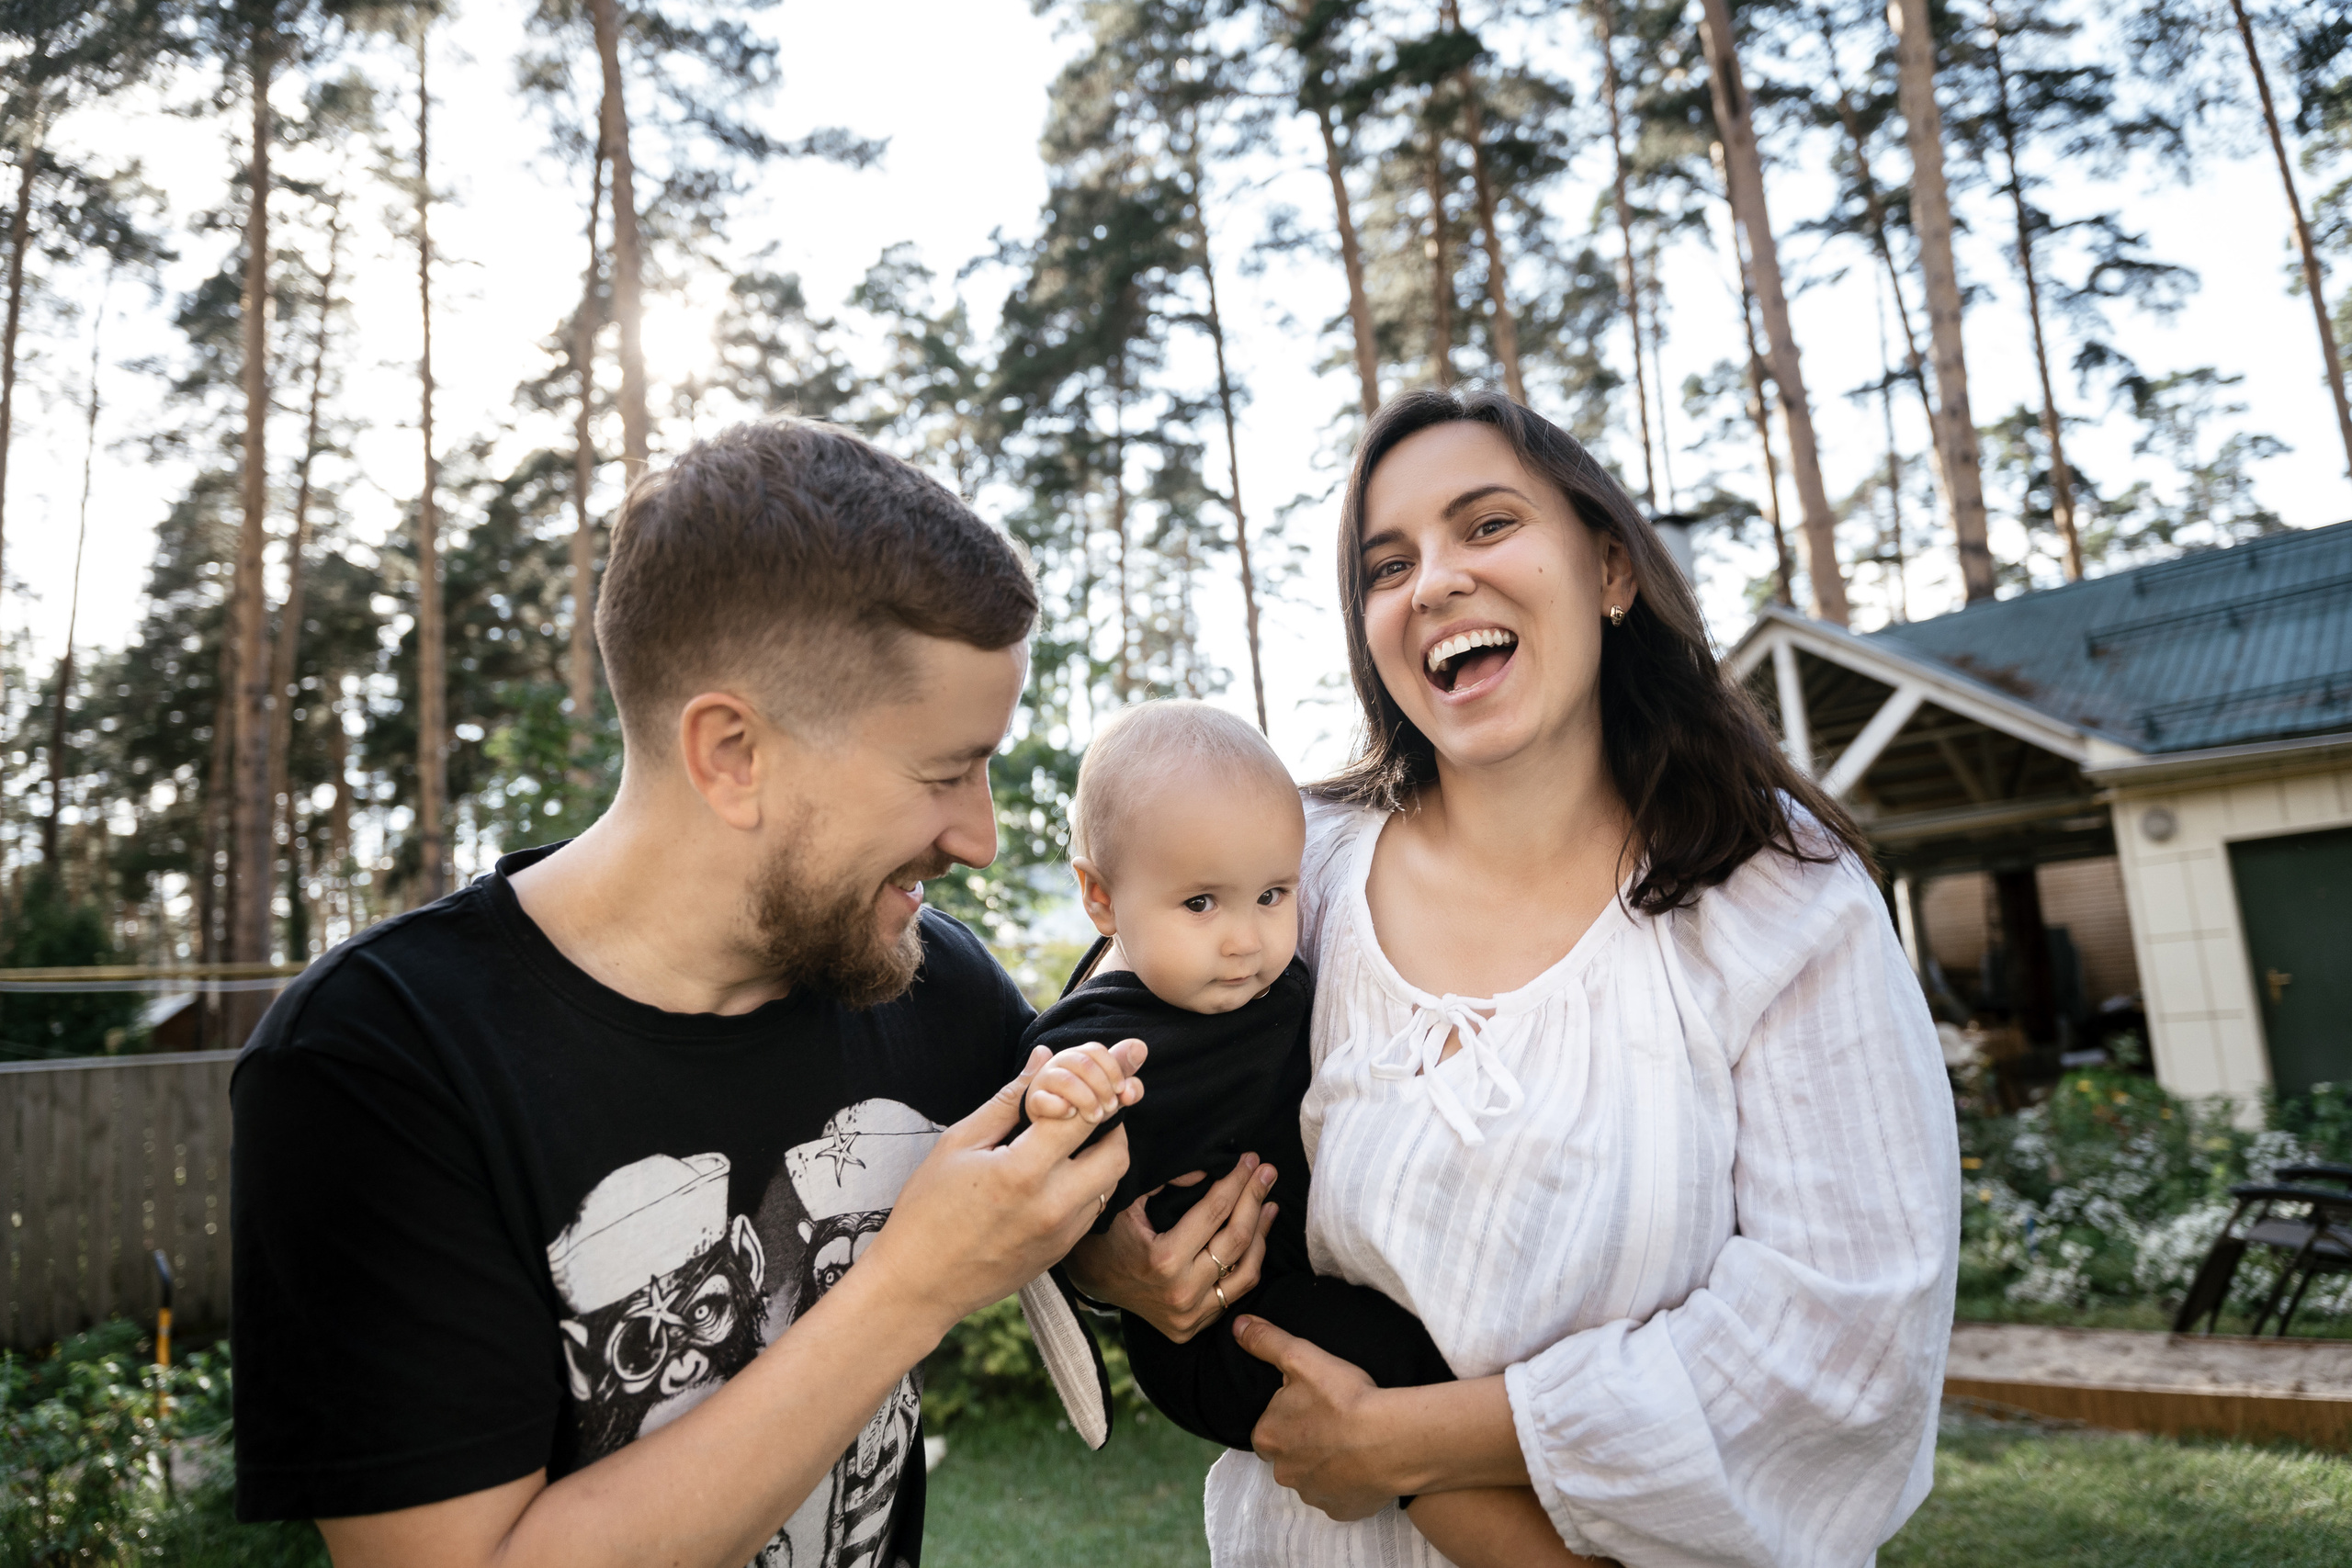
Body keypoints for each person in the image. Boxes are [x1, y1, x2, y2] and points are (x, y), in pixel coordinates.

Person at [228, 419, 1195, 1568]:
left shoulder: (936, 988)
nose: (980, 838)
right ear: (732, 753)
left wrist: (1109, 1259)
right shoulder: (375, 1065)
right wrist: (910, 1289)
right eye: (942, 773)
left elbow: (1045, 1205)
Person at [1067, 389, 1961, 1567]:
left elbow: (1849, 1331)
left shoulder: (1777, 896)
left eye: (1486, 526)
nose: (1433, 580)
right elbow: (1095, 1071)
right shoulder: (1294, 873)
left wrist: (1406, 1438)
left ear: (1610, 569)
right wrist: (1110, 1264)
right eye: (1387, 565)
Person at [1020, 698, 1573, 1568]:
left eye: (1273, 894)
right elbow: (1032, 1187)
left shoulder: (1270, 979)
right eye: (1200, 902)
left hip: (1288, 1284)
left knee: (1435, 1357)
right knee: (1399, 1378)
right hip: (1216, 1334)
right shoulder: (1099, 1043)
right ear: (1100, 897)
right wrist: (1058, 1101)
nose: (1246, 938)